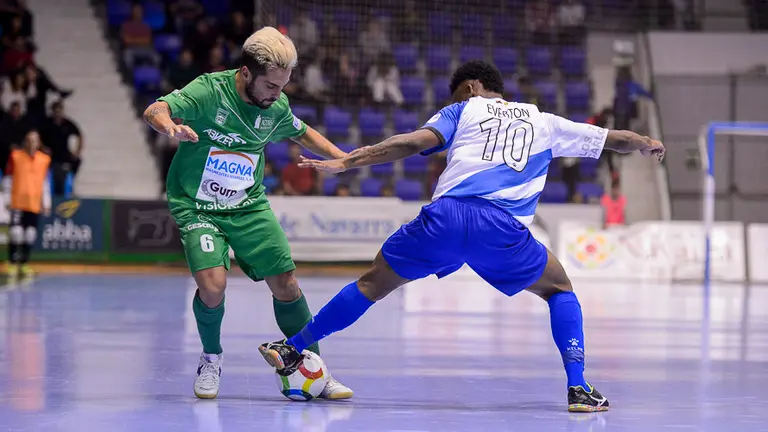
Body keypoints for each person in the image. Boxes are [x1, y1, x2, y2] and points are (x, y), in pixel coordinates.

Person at [259, 60, 666, 412]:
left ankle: (292, 346)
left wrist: (350, 160)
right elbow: (615, 139)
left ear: (470, 89)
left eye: (457, 95)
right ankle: (578, 386)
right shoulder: (546, 122)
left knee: (372, 283)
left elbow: (409, 143)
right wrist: (647, 143)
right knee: (559, 288)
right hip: (503, 230)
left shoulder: (463, 110)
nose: (455, 101)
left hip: (446, 218)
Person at [142, 27, 353, 400]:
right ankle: (211, 358)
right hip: (197, 204)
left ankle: (312, 368)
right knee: (212, 286)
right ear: (245, 74)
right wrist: (169, 126)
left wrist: (345, 159)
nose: (278, 94)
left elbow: (302, 132)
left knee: (287, 283)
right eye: (271, 86)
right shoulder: (209, 92)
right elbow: (155, 109)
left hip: (248, 205)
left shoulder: (276, 106)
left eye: (283, 85)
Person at [3, 130, 51, 278]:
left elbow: (45, 183)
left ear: (39, 143)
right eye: (29, 140)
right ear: (25, 142)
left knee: (30, 235)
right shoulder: (16, 156)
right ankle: (11, 263)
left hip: (34, 203)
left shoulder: (44, 160)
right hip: (17, 202)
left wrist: (46, 202)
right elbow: (8, 178)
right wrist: (7, 199)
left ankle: (24, 264)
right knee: (16, 233)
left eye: (35, 140)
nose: (32, 143)